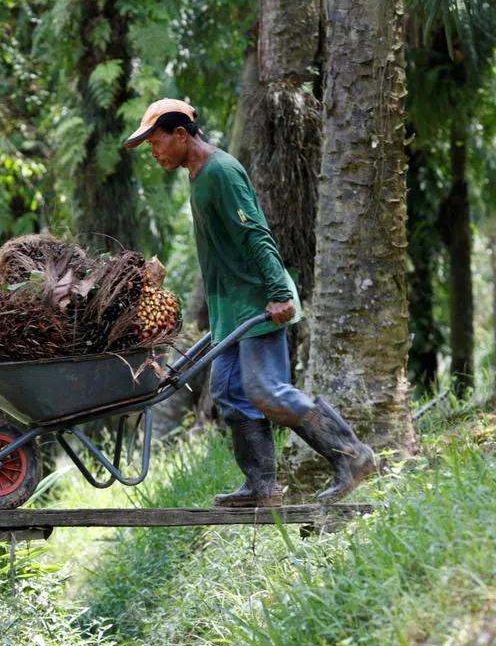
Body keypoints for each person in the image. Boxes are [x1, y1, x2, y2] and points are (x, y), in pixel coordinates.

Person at [124, 98, 376, 506]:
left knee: (267, 390)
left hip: (259, 302)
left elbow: (256, 234)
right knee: (228, 391)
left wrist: (278, 292)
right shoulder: (199, 175)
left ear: (182, 135)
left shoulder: (221, 172)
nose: (154, 153)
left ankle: (352, 454)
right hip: (232, 310)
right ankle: (262, 487)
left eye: (156, 143)